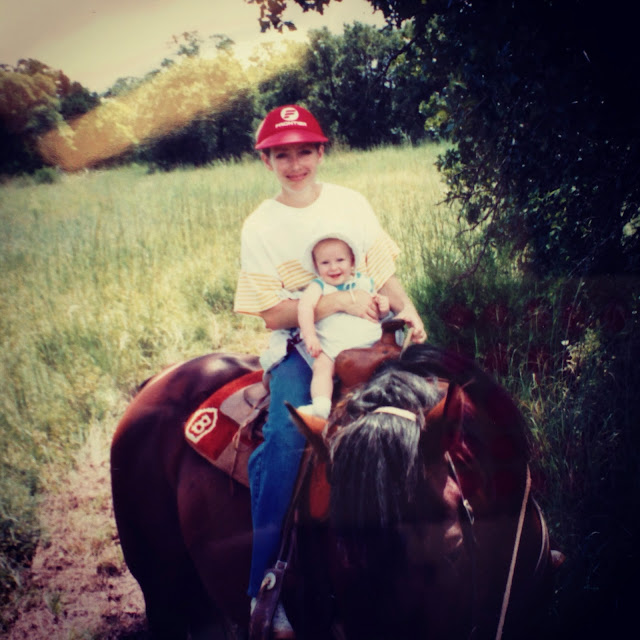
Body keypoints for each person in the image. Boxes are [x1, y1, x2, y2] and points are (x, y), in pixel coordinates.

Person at [233, 104, 426, 636]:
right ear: (266, 161)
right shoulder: (261, 225)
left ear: (321, 152)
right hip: (306, 347)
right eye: (281, 155)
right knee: (284, 437)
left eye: (304, 151)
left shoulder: (350, 203)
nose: (294, 164)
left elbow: (382, 273)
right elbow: (272, 313)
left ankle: (477, 539)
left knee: (436, 406)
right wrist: (335, 303)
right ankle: (265, 587)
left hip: (369, 338)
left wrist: (409, 311)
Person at [297, 232, 390, 418]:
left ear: (352, 261)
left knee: (389, 364)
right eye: (325, 263)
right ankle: (321, 405)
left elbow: (378, 313)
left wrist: (383, 306)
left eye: (340, 260)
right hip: (332, 347)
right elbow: (304, 307)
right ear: (316, 266)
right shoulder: (318, 286)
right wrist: (310, 335)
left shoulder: (363, 282)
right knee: (321, 367)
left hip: (370, 344)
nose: (333, 267)